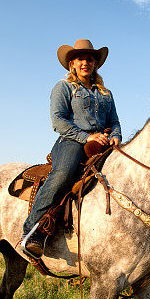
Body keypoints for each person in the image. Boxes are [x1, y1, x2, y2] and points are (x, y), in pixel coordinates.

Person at [19, 39, 122, 259]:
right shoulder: (64, 87)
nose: (86, 62)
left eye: (90, 59)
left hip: (102, 143)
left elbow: (114, 121)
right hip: (71, 142)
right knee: (63, 174)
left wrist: (115, 136)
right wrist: (86, 136)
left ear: (95, 63)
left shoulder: (106, 94)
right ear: (72, 64)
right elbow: (58, 121)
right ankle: (31, 231)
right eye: (80, 59)